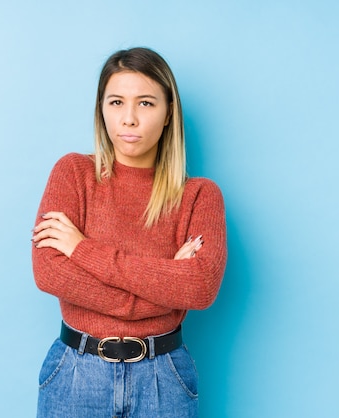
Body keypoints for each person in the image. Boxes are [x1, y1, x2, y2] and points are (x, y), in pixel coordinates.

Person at [31, 47, 227, 417]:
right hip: (76, 374)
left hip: (164, 378)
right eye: (117, 102)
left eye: (146, 103)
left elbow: (200, 288)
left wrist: (83, 250)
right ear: (101, 109)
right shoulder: (72, 174)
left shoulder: (199, 196)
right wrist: (166, 284)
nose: (130, 118)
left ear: (169, 113)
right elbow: (49, 271)